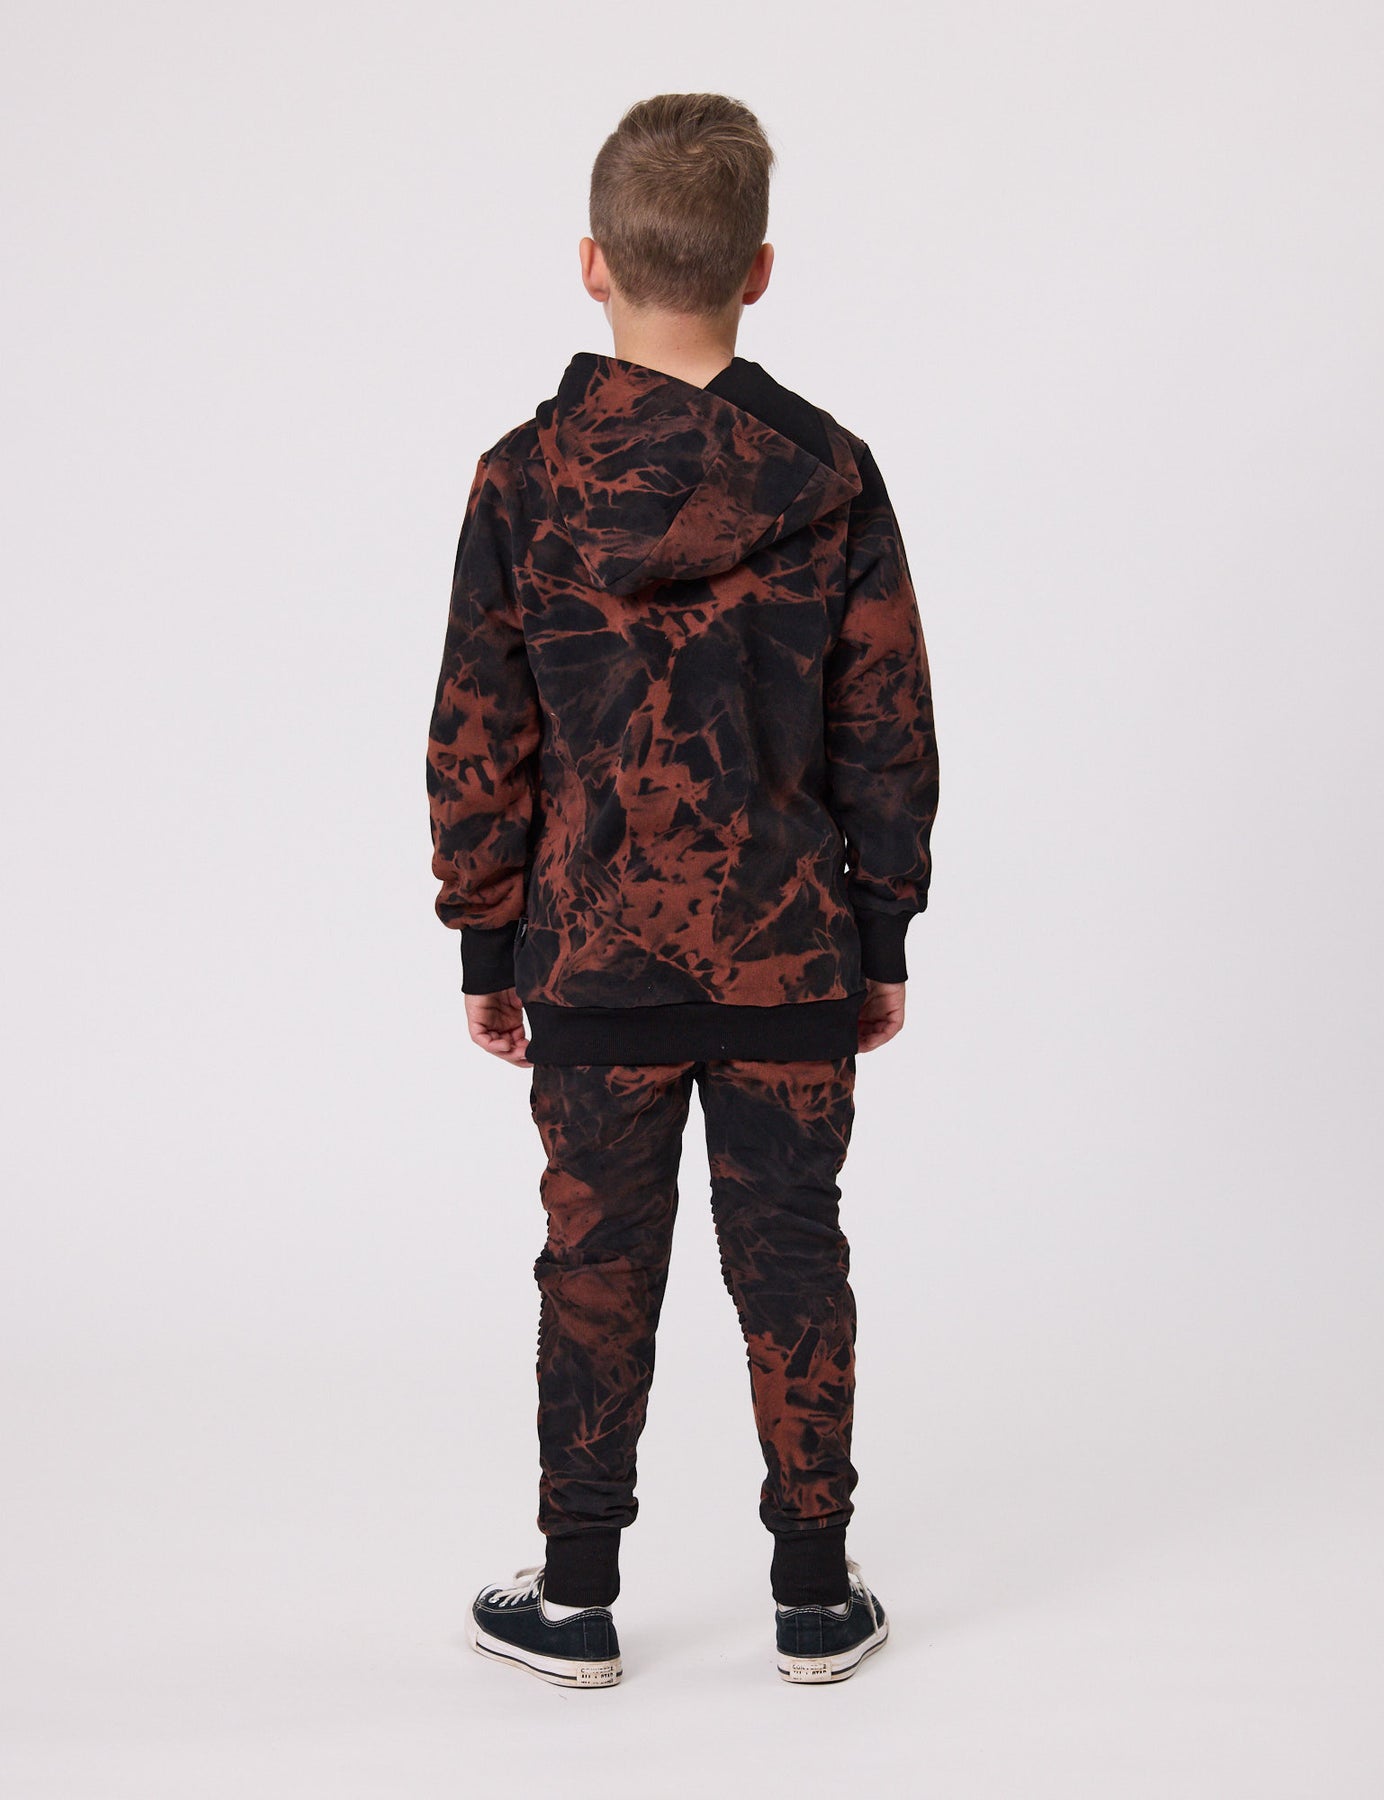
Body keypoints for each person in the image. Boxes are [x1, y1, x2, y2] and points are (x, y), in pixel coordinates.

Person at [426, 92, 939, 1689]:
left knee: (595, 1266)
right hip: (789, 951)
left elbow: (477, 729)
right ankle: (814, 1595)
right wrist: (882, 926)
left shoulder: (524, 481)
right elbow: (887, 723)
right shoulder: (831, 476)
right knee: (793, 1256)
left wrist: (485, 939)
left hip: (592, 955)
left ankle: (577, 1598)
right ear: (758, 270)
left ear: (594, 262)